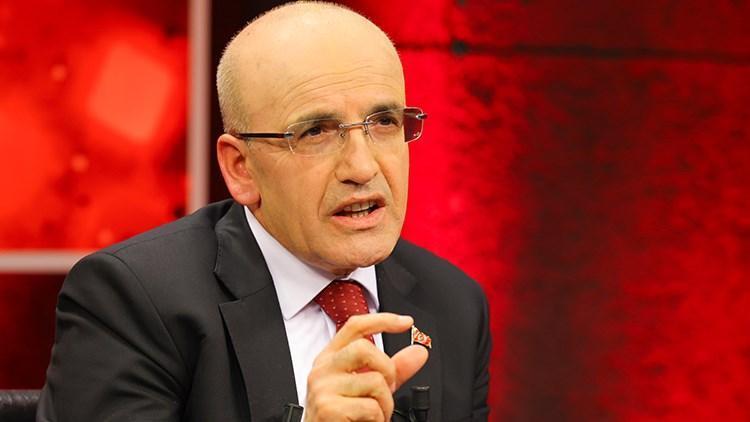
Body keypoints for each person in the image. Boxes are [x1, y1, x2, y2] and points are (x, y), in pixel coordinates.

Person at [37, 2, 490, 421]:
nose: (362, 167)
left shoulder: (454, 305)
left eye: (384, 122)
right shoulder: (135, 301)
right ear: (241, 168)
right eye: (316, 132)